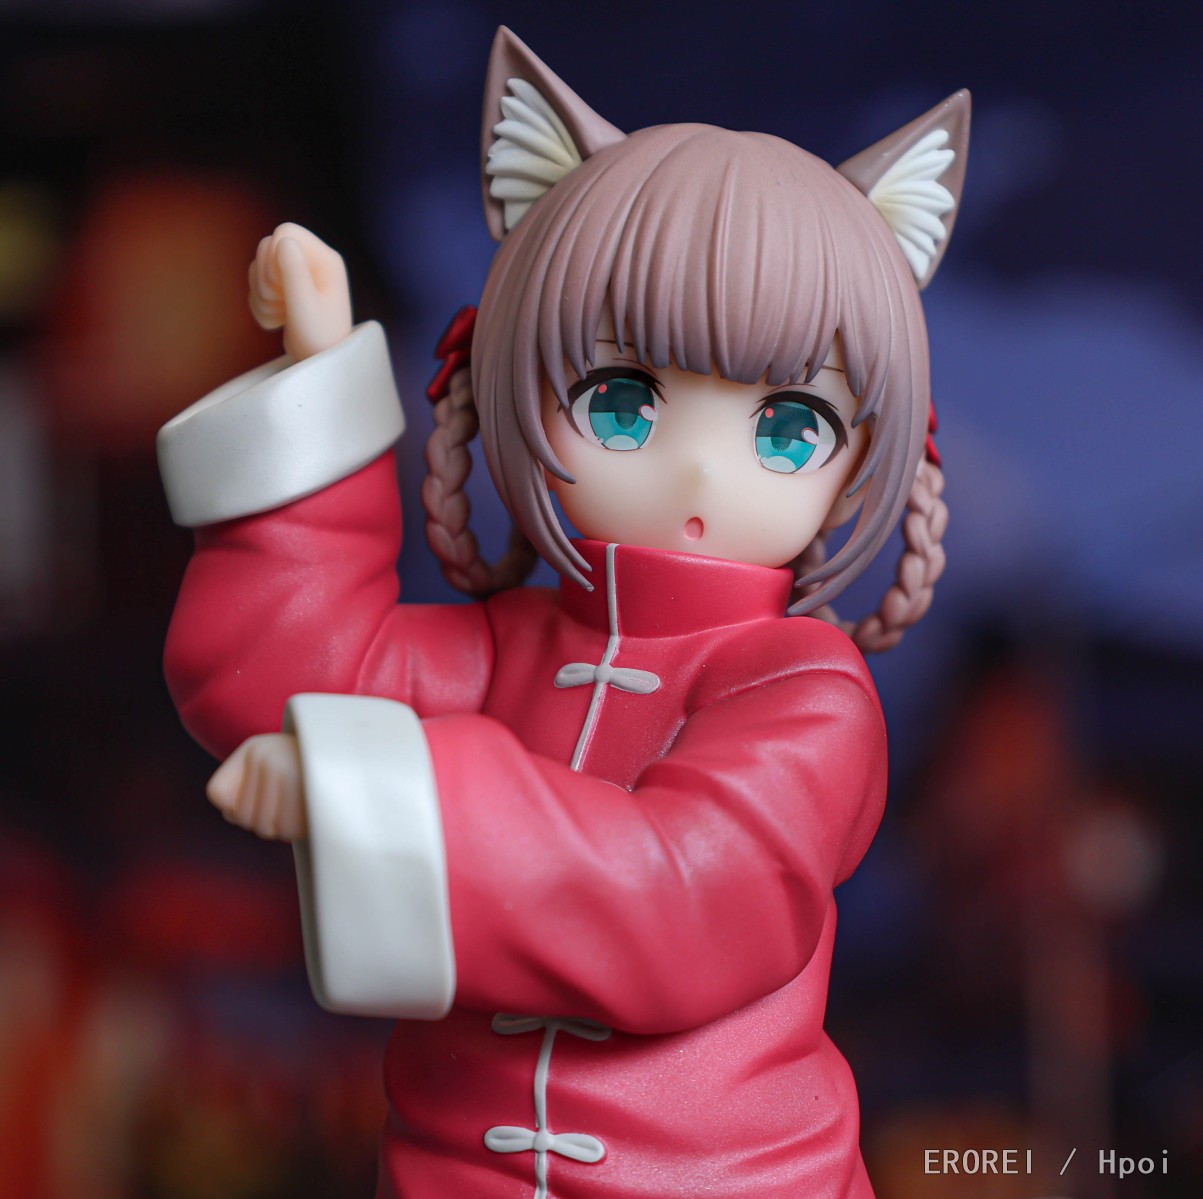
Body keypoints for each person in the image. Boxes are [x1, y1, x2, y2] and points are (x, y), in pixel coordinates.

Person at [158, 26, 968, 1199]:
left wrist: (379, 788)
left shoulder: (807, 693)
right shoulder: (506, 649)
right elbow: (280, 680)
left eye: (789, 429)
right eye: (622, 403)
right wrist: (319, 388)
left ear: (861, 463)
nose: (699, 470)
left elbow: (686, 899)